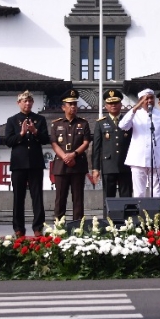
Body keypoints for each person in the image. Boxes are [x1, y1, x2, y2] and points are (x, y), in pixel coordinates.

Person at [3, 90, 48, 237]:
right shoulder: (12, 120)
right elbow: (8, 141)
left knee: (37, 197)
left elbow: (46, 139)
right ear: (19, 103)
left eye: (30, 101)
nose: (27, 103)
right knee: (18, 197)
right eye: (24, 101)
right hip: (19, 164)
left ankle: (38, 227)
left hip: (35, 163)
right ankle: (18, 228)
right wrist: (21, 134)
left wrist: (35, 132)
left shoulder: (40, 119)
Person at [120, 89, 160, 198]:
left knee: (157, 192)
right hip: (138, 160)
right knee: (139, 193)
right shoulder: (135, 114)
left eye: (151, 98)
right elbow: (123, 126)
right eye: (146, 99)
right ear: (140, 101)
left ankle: (155, 215)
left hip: (157, 160)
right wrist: (136, 107)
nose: (149, 101)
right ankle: (140, 215)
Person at [50, 89, 91, 222]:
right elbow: (54, 143)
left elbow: (86, 142)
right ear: (63, 107)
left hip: (78, 164)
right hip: (61, 166)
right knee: (60, 197)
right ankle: (59, 226)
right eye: (70, 104)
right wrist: (65, 157)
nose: (73, 107)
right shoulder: (56, 124)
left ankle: (78, 226)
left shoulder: (83, 123)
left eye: (74, 104)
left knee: (78, 198)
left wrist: (73, 154)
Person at [91, 89, 133, 199]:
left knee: (127, 196)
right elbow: (96, 148)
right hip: (108, 165)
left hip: (126, 164)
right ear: (106, 106)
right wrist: (95, 168)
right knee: (109, 197)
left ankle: (127, 217)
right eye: (110, 103)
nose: (113, 105)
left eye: (116, 103)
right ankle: (108, 217)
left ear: (120, 104)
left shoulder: (128, 121)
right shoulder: (101, 123)